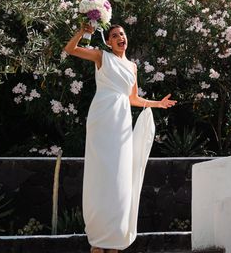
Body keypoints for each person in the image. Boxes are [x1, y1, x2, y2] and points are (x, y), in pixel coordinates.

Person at [64, 23, 176, 253]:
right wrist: (84, 32)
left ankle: (113, 237)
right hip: (102, 117)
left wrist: (158, 104)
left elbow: (133, 98)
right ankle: (98, 239)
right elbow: (70, 49)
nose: (119, 38)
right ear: (108, 42)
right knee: (100, 174)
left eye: (122, 34)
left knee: (120, 177)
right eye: (114, 35)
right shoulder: (101, 56)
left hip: (122, 121)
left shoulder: (133, 67)